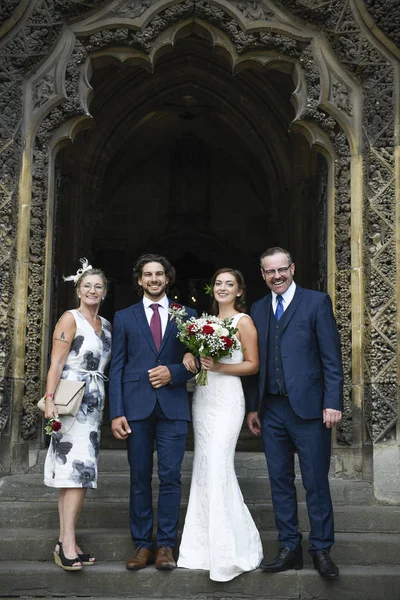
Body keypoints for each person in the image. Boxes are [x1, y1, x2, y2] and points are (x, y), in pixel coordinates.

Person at [246, 247, 343, 579]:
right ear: (262, 275)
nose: (277, 276)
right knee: (279, 481)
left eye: (282, 270)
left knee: (315, 482)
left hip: (310, 409)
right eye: (270, 272)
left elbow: (331, 359)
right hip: (271, 409)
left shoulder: (316, 303)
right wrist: (252, 408)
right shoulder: (258, 309)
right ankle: (289, 546)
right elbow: (254, 364)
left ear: (292, 268)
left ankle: (321, 549)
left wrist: (332, 403)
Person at [109, 254, 198, 571]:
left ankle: (165, 547)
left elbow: (197, 363)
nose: (154, 279)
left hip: (173, 407)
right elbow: (117, 366)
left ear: (168, 278)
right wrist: (116, 411)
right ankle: (142, 545)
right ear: (140, 280)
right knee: (139, 478)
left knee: (172, 477)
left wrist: (174, 372)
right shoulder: (124, 317)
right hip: (135, 408)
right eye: (148, 275)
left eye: (159, 274)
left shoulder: (186, 314)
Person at [178, 268, 263, 582]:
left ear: (240, 291)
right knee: (203, 467)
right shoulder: (203, 323)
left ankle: (229, 551)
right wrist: (191, 352)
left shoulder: (244, 322)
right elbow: (195, 355)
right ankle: (199, 550)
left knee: (217, 466)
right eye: (218, 283)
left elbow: (253, 364)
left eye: (230, 284)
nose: (223, 288)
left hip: (227, 399)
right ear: (211, 289)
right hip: (203, 398)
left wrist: (221, 367)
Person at [43, 258, 112, 571]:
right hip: (70, 403)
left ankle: (65, 540)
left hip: (94, 405)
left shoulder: (106, 326)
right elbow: (56, 362)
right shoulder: (70, 319)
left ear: (105, 291)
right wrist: (50, 399)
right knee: (76, 472)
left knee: (78, 475)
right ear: (78, 290)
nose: (93, 290)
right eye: (87, 286)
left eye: (98, 286)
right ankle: (67, 543)